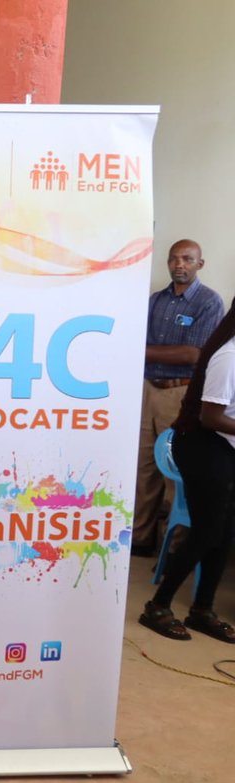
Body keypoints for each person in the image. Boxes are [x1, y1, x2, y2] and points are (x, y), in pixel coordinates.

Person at [138, 303, 235, 645]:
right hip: (201, 445)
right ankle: (157, 606)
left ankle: (202, 610)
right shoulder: (229, 356)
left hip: (223, 447)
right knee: (207, 531)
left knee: (224, 533)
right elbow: (211, 418)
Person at [132, 239, 224, 557]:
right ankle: (141, 539)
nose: (179, 264)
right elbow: (134, 336)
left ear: (200, 264)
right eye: (174, 259)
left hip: (180, 394)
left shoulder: (209, 303)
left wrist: (137, 351)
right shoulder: (154, 301)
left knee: (176, 471)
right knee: (143, 468)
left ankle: (174, 549)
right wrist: (141, 351)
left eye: (187, 259)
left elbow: (193, 354)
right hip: (146, 390)